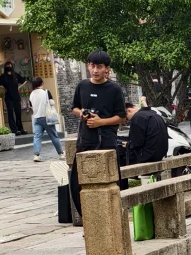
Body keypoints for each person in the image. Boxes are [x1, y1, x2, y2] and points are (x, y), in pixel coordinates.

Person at [69, 51, 127, 217]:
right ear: (88, 66)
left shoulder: (114, 89)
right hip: (84, 141)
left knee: (111, 183)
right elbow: (74, 108)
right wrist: (82, 114)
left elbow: (121, 117)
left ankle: (112, 218)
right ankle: (89, 220)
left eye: (99, 67)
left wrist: (101, 122)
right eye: (92, 66)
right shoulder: (82, 86)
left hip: (106, 141)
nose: (95, 70)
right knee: (77, 184)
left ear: (106, 69)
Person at [125, 97, 170, 167]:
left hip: (148, 156)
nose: (128, 121)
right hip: (161, 153)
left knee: (122, 154)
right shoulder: (154, 114)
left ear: (128, 111)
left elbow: (137, 143)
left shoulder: (137, 118)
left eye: (127, 119)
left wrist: (128, 145)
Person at [29, 76, 64, 160]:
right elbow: (52, 103)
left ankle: (36, 155)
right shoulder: (46, 92)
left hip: (37, 118)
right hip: (47, 117)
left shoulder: (31, 94)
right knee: (53, 136)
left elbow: (31, 105)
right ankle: (61, 154)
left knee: (37, 136)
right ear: (42, 83)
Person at [0, 61, 24, 135]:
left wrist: (18, 87)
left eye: (10, 65)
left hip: (16, 96)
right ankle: (14, 129)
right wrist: (4, 87)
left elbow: (23, 81)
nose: (9, 67)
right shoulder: (3, 76)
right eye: (7, 66)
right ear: (5, 67)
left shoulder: (15, 75)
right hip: (8, 97)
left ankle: (20, 128)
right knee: (11, 114)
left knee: (18, 113)